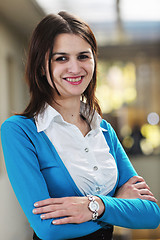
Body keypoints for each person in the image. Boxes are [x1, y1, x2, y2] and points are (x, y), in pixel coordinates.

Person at [1, 11, 160, 240]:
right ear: (41, 67)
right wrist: (117, 207)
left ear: (94, 61)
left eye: (83, 56)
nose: (75, 68)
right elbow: (48, 229)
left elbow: (151, 215)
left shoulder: (104, 131)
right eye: (61, 58)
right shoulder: (19, 131)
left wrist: (95, 206)